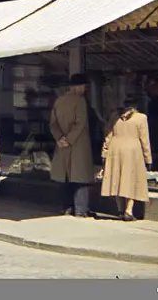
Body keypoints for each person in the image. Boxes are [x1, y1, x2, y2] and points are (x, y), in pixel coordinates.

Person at [101, 98, 153, 222]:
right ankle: (128, 211)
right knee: (130, 180)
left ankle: (120, 210)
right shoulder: (141, 118)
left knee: (118, 179)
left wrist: (104, 152)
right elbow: (145, 140)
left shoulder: (115, 116)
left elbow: (108, 135)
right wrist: (148, 159)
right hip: (132, 150)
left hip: (115, 148)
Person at [50, 74, 94, 217]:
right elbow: (80, 123)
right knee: (81, 177)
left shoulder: (59, 101)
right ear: (77, 86)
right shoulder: (80, 101)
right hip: (78, 145)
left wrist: (60, 138)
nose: (84, 89)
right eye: (83, 86)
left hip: (62, 146)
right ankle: (81, 209)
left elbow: (53, 123)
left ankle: (66, 207)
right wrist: (69, 139)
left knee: (65, 177)